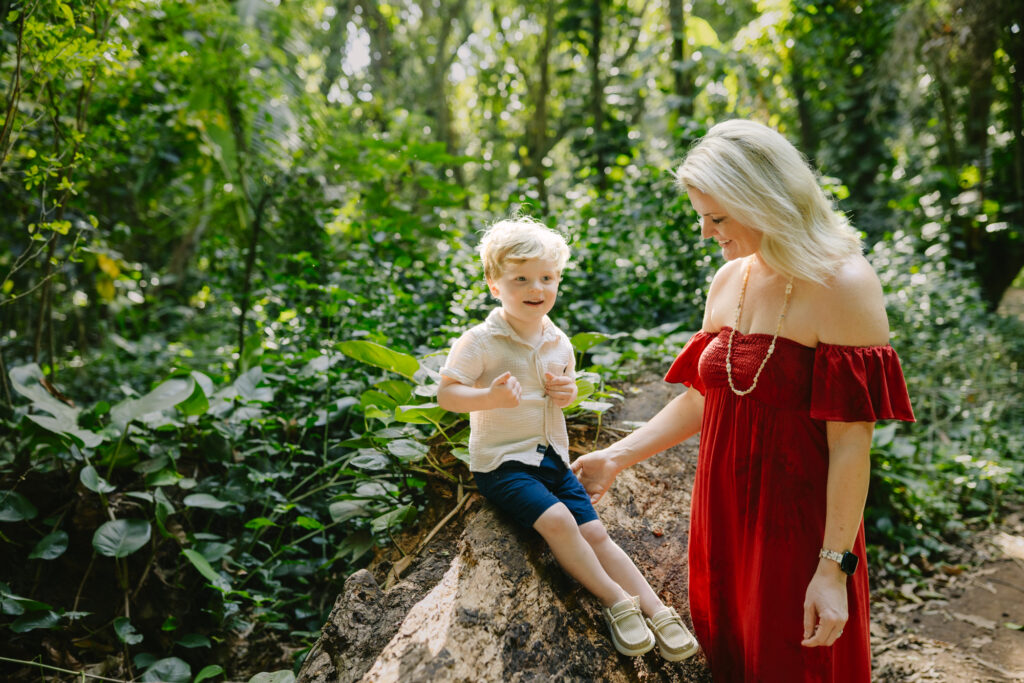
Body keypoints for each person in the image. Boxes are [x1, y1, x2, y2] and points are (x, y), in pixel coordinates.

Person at [571, 119, 915, 682]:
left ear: (766, 201)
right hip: (721, 518)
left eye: (718, 217)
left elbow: (852, 445)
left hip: (796, 530)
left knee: (794, 665)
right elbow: (705, 401)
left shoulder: (844, 284)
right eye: (701, 217)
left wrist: (833, 569)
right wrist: (616, 457)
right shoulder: (730, 279)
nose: (706, 233)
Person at [437, 216, 699, 662]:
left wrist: (568, 391)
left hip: (551, 458)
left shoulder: (558, 341)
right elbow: (447, 394)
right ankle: (617, 601)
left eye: (546, 277)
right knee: (558, 522)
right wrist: (489, 397)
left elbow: (566, 388)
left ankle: (656, 608)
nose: (535, 287)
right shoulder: (480, 341)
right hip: (502, 464)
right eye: (520, 278)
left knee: (596, 532)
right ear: (494, 284)